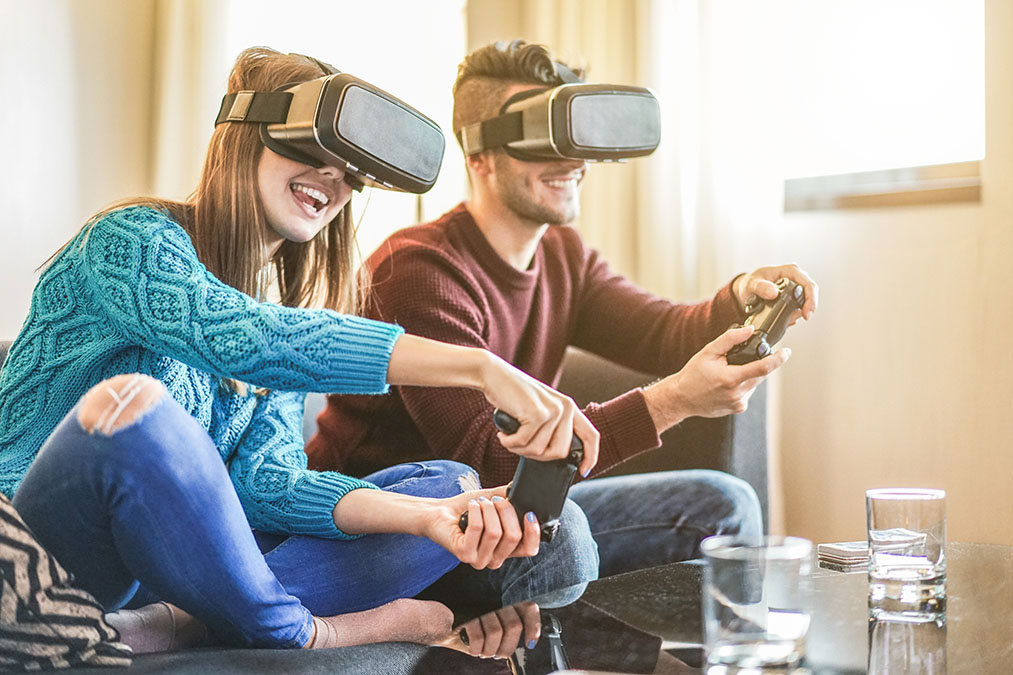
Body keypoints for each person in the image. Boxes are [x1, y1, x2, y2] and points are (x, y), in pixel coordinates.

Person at [0, 47, 602, 652]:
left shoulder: (283, 318)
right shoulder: (129, 242)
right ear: (244, 136)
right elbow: (244, 340)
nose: (333, 179)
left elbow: (270, 485)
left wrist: (427, 521)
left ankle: (177, 625)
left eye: (350, 169)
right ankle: (301, 630)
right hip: (50, 552)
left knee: (450, 487)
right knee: (134, 408)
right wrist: (479, 367)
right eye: (310, 151)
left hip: (169, 576)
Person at [306, 39, 819, 577]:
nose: (573, 160)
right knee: (559, 533)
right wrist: (672, 402)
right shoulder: (415, 270)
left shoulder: (562, 255)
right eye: (541, 136)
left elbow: (664, 333)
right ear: (478, 154)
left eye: (574, 136)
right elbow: (489, 463)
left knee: (720, 504)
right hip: (392, 531)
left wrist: (742, 295)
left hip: (506, 515)